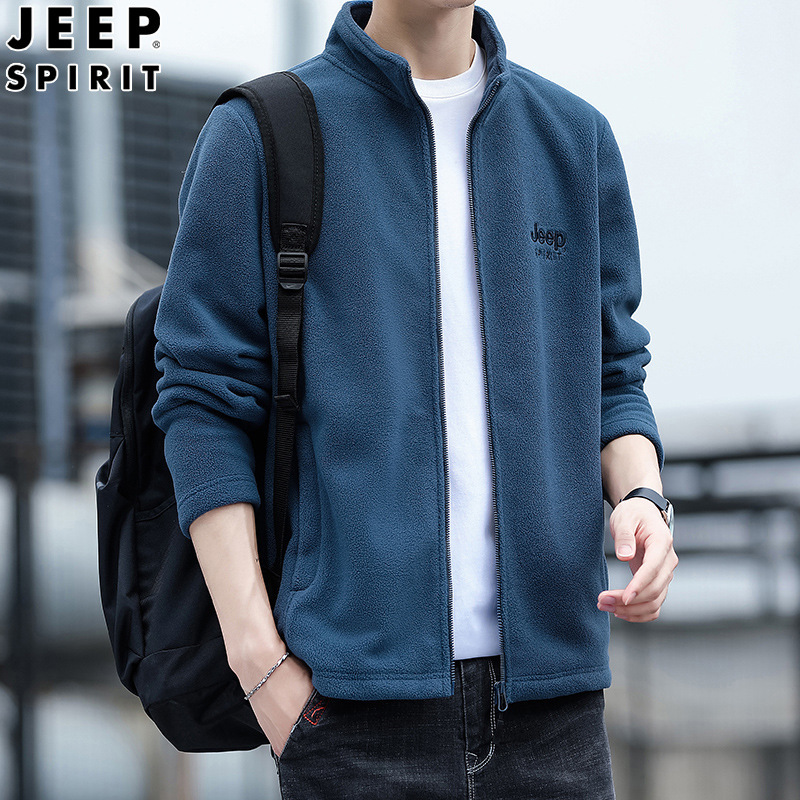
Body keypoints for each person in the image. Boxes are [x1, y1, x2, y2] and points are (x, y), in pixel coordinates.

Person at [150, 0, 679, 797]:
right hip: (353, 714)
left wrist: (643, 497)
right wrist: (257, 660)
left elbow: (610, 375)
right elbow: (203, 402)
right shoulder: (260, 135)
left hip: (555, 714)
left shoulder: (574, 140)